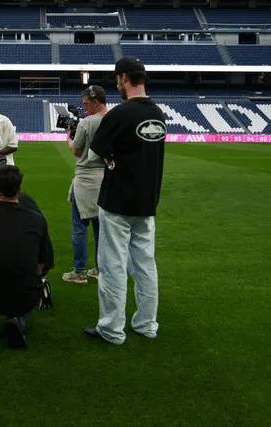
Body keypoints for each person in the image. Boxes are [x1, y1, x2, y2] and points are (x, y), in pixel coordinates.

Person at [83, 57, 167, 345]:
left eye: (117, 80)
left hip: (117, 201)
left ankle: (112, 329)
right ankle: (146, 324)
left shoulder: (119, 114)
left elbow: (94, 154)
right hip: (147, 201)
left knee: (113, 265)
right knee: (145, 264)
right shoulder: (158, 114)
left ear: (122, 78)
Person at [0, 165, 53, 348]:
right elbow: (43, 264)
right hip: (29, 297)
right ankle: (16, 318)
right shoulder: (37, 219)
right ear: (19, 190)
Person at [62, 85, 109, 284]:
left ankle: (79, 271)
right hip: (105, 178)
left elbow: (77, 151)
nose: (84, 108)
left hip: (85, 179)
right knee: (100, 228)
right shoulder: (112, 119)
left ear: (96, 101)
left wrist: (69, 139)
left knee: (79, 227)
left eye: (86, 104)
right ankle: (99, 269)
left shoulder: (87, 123)